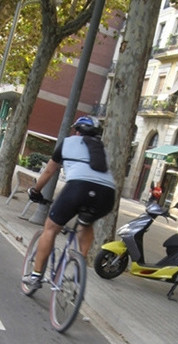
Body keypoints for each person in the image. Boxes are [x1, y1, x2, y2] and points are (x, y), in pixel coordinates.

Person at [23, 116, 116, 290]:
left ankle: (35, 276)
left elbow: (49, 171)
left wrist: (35, 191)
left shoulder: (67, 143)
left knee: (50, 228)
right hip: (107, 194)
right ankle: (79, 264)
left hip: (78, 188)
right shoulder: (103, 150)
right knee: (86, 223)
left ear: (77, 131)